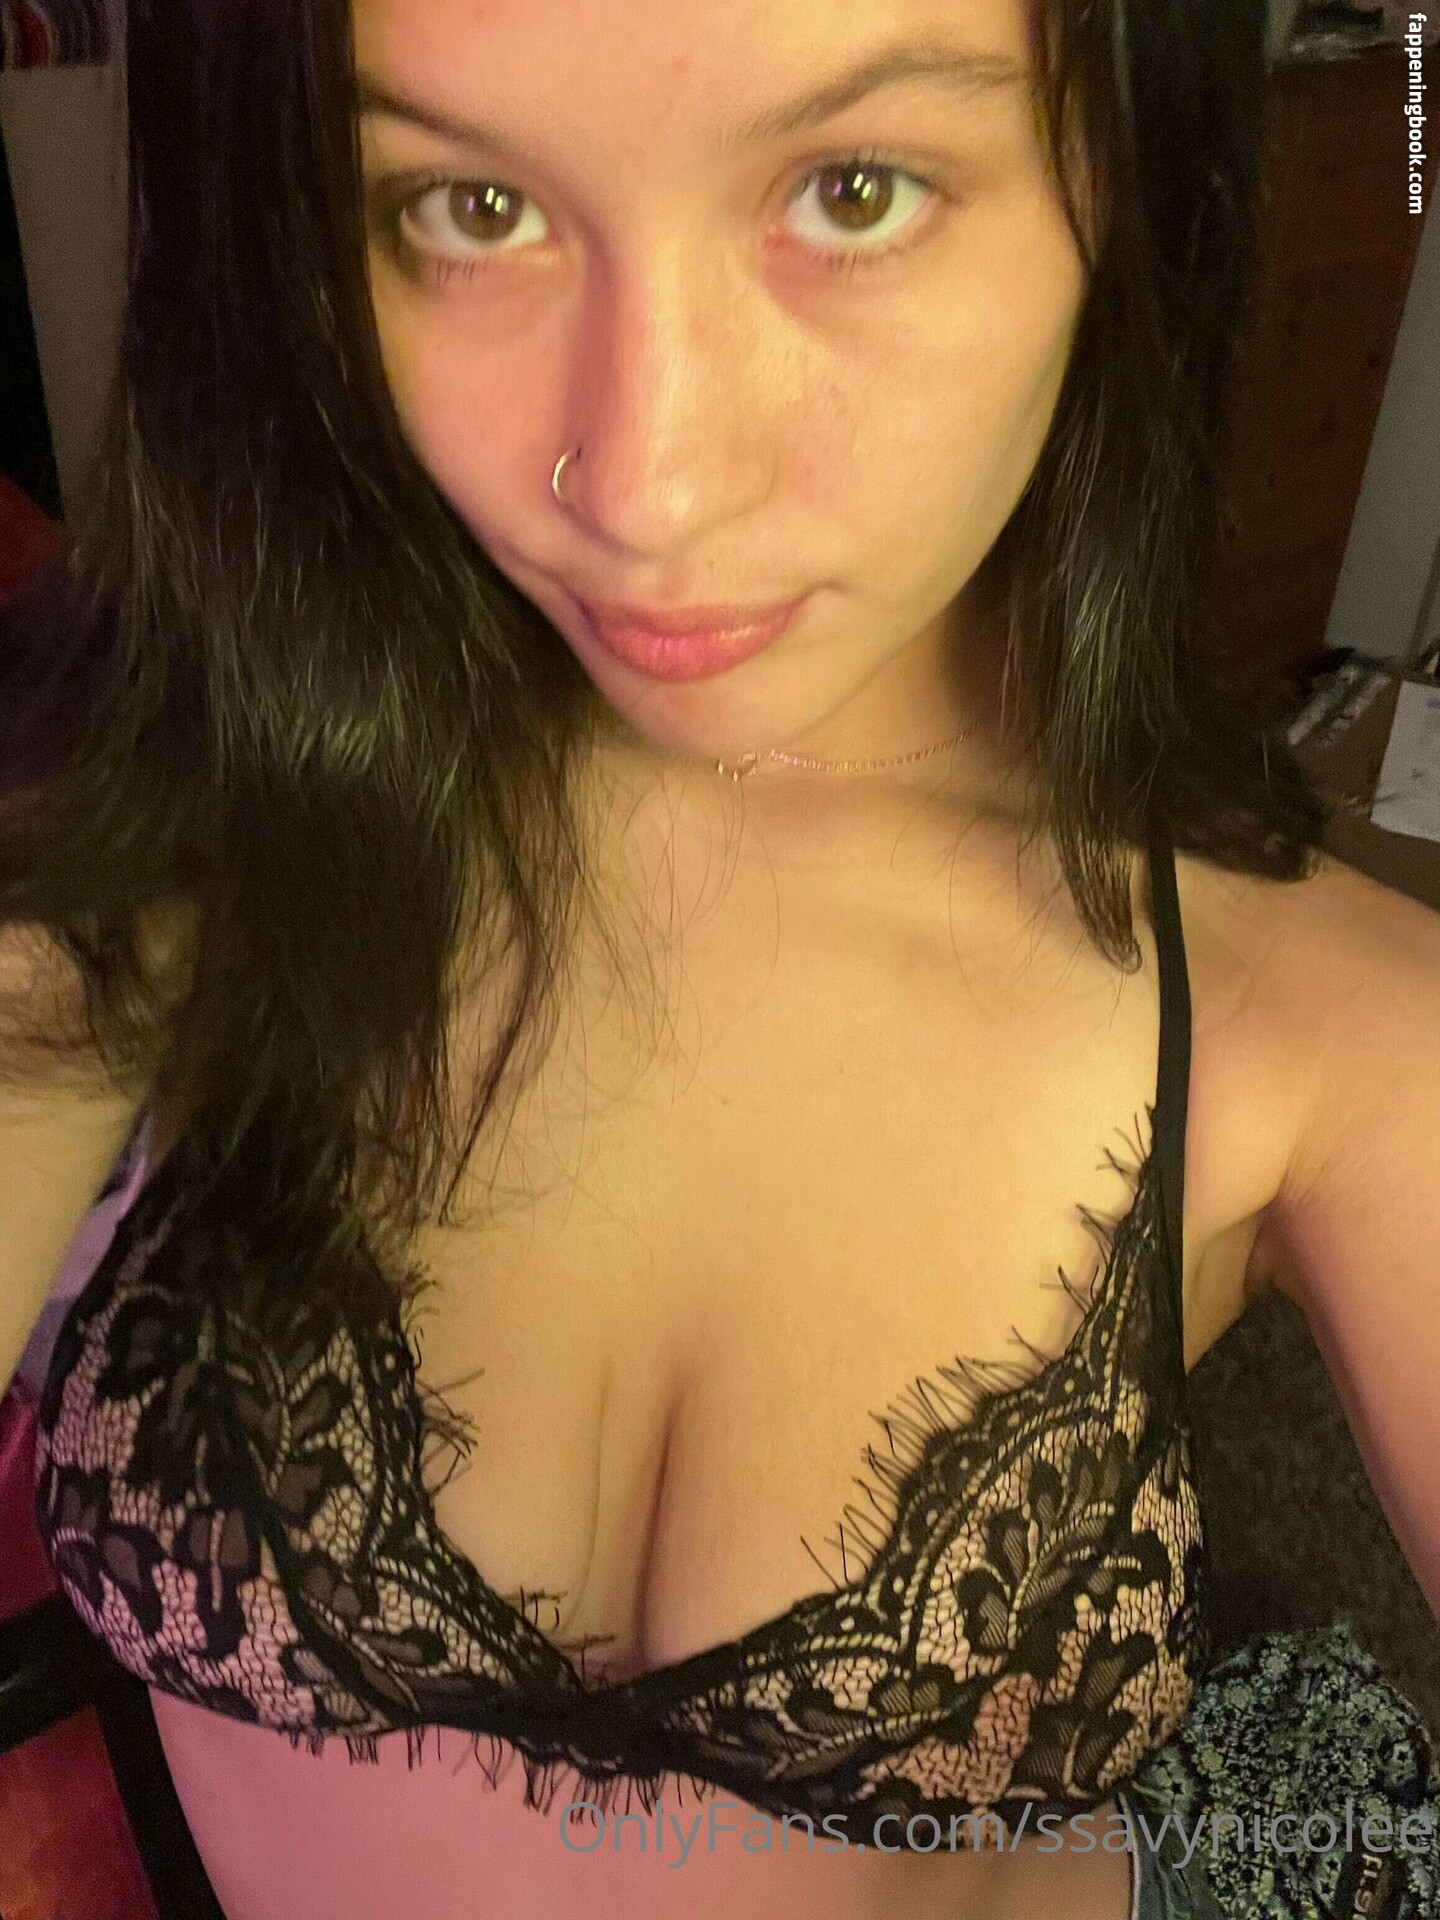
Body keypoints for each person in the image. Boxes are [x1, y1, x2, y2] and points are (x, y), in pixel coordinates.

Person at [1, 0, 1438, 1913]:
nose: (645, 489)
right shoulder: (169, 819)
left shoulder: (1331, 1030)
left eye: (855, 190)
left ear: (1127, 175)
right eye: (471, 206)